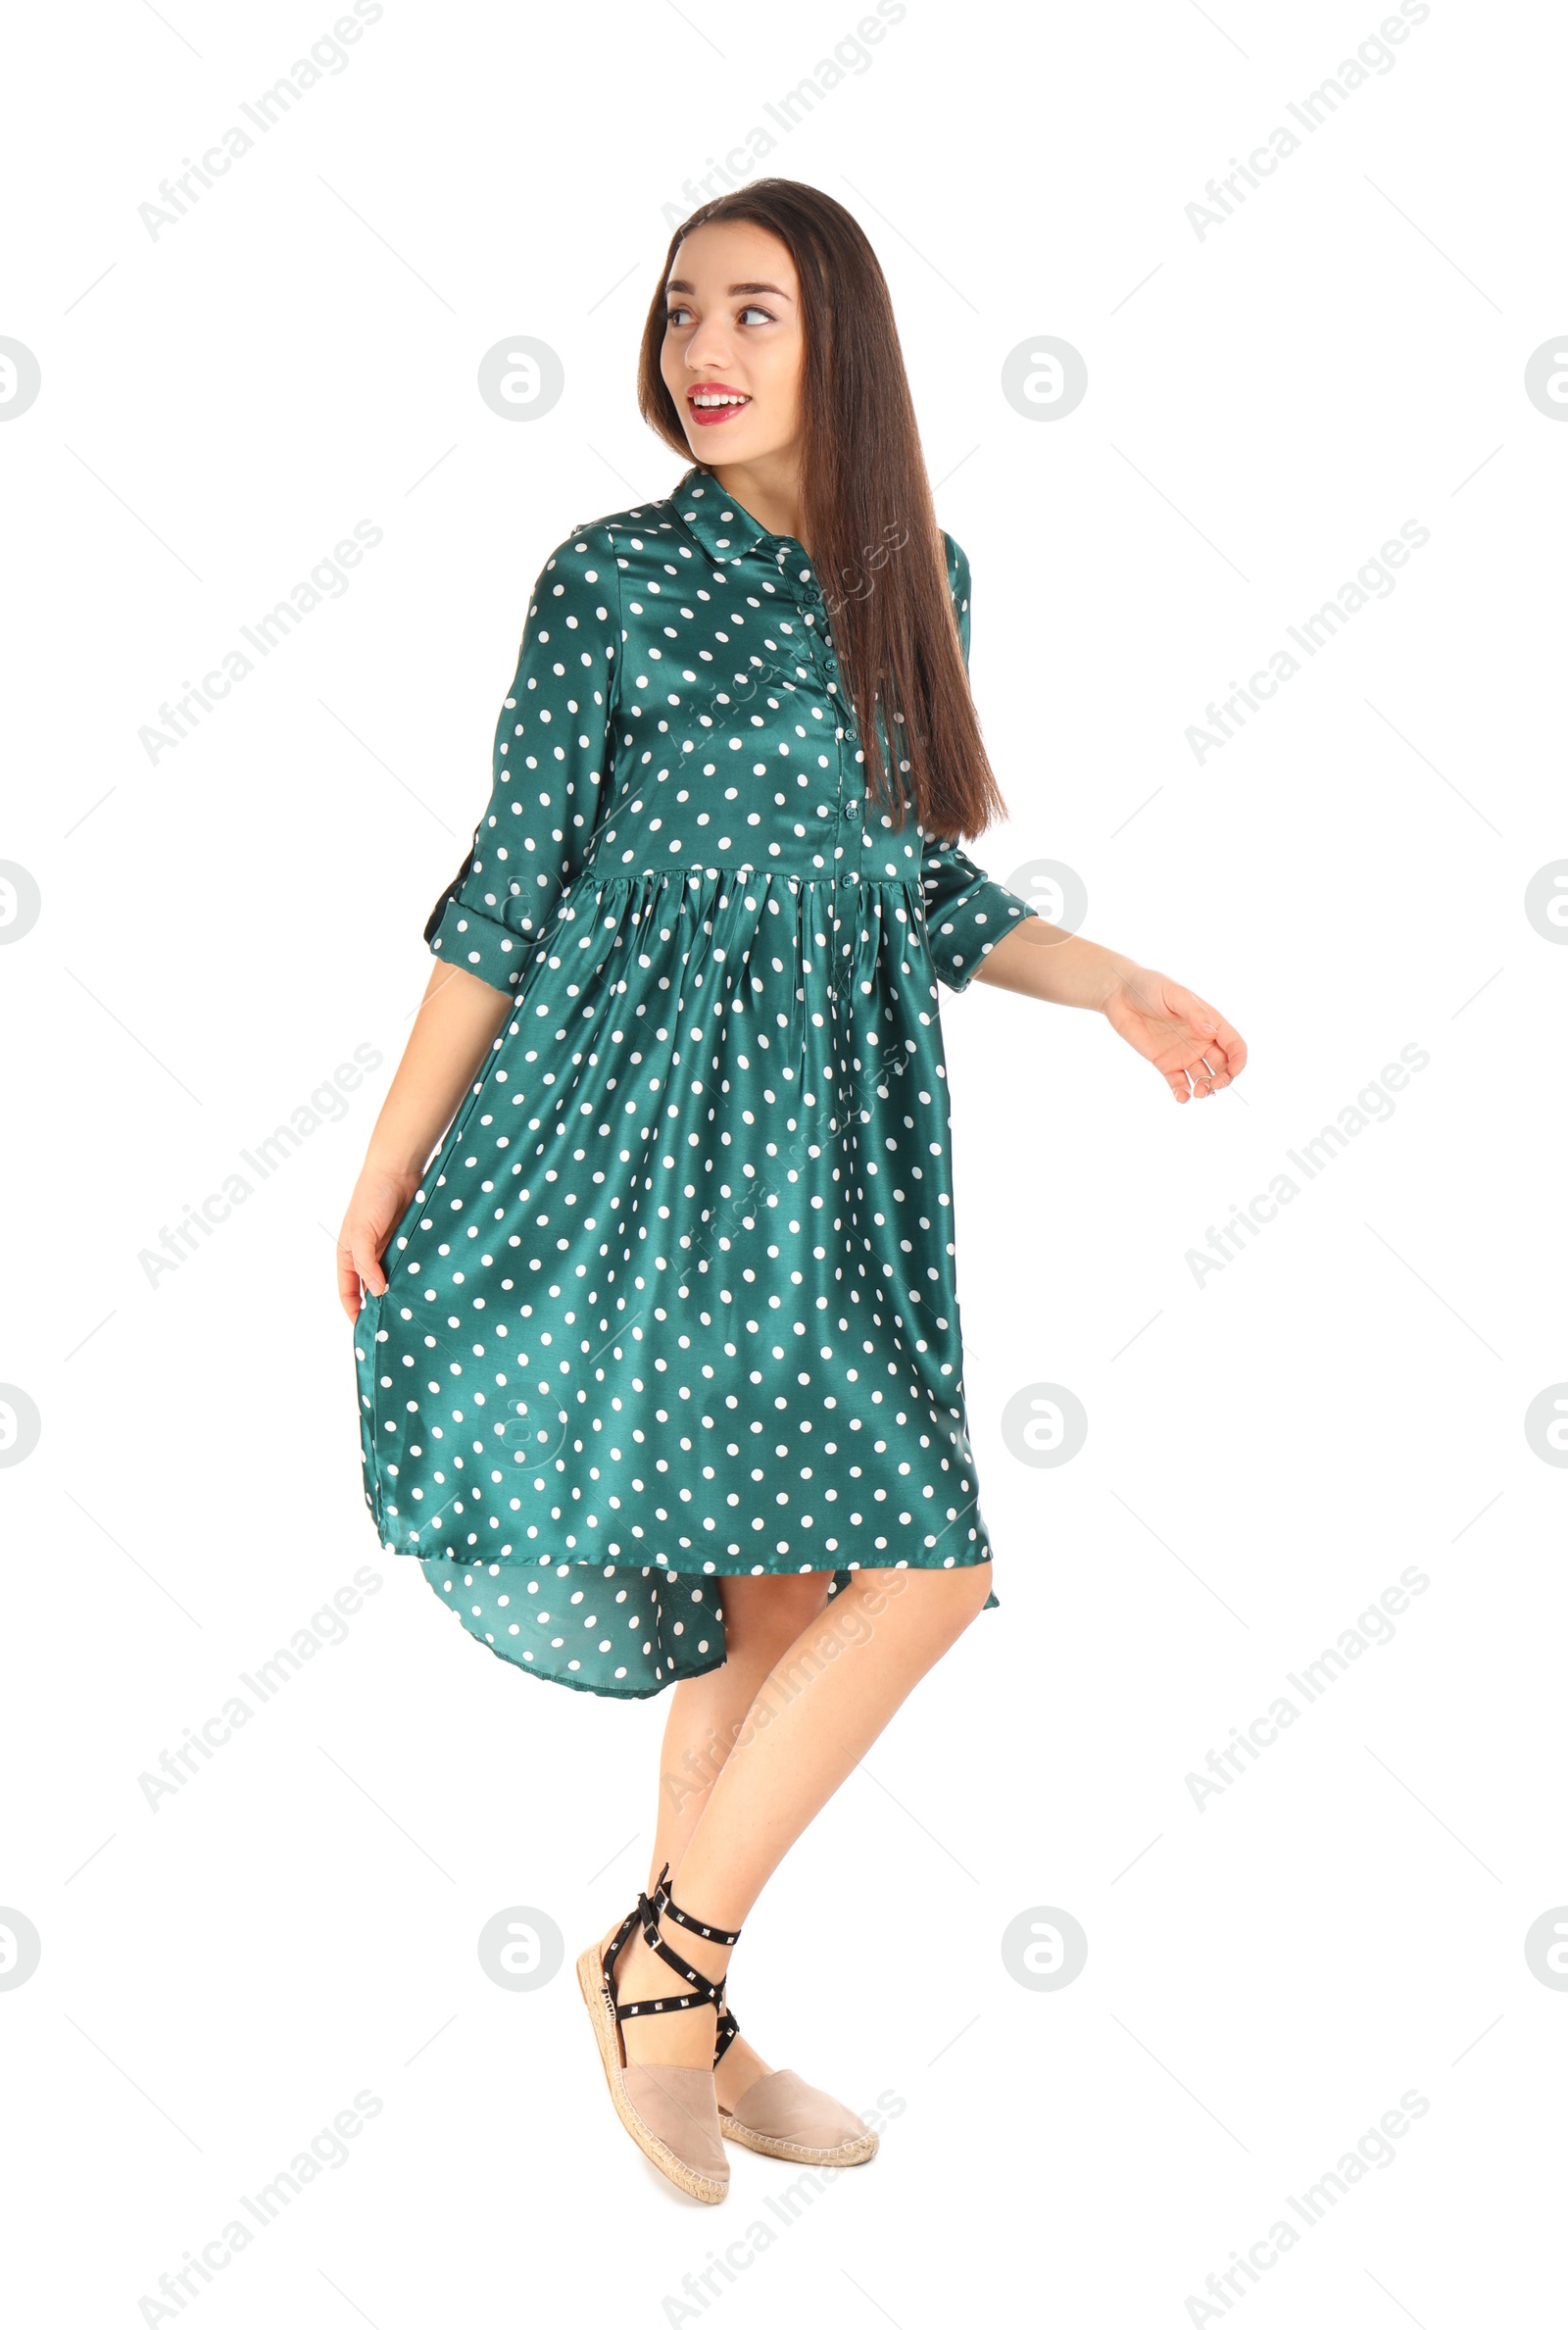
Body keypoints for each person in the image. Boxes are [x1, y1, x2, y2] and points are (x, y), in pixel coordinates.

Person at [336, 178, 1246, 2206]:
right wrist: (386, 1163)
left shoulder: (918, 571)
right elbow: (507, 889)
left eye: (749, 309)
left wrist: (1105, 980)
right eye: (677, 313)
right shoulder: (607, 583)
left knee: (787, 1589)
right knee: (902, 1568)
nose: (702, 349)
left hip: (832, 1150)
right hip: (633, 1133)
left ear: (837, 339)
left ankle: (678, 1997)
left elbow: (904, 880)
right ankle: (667, 1977)